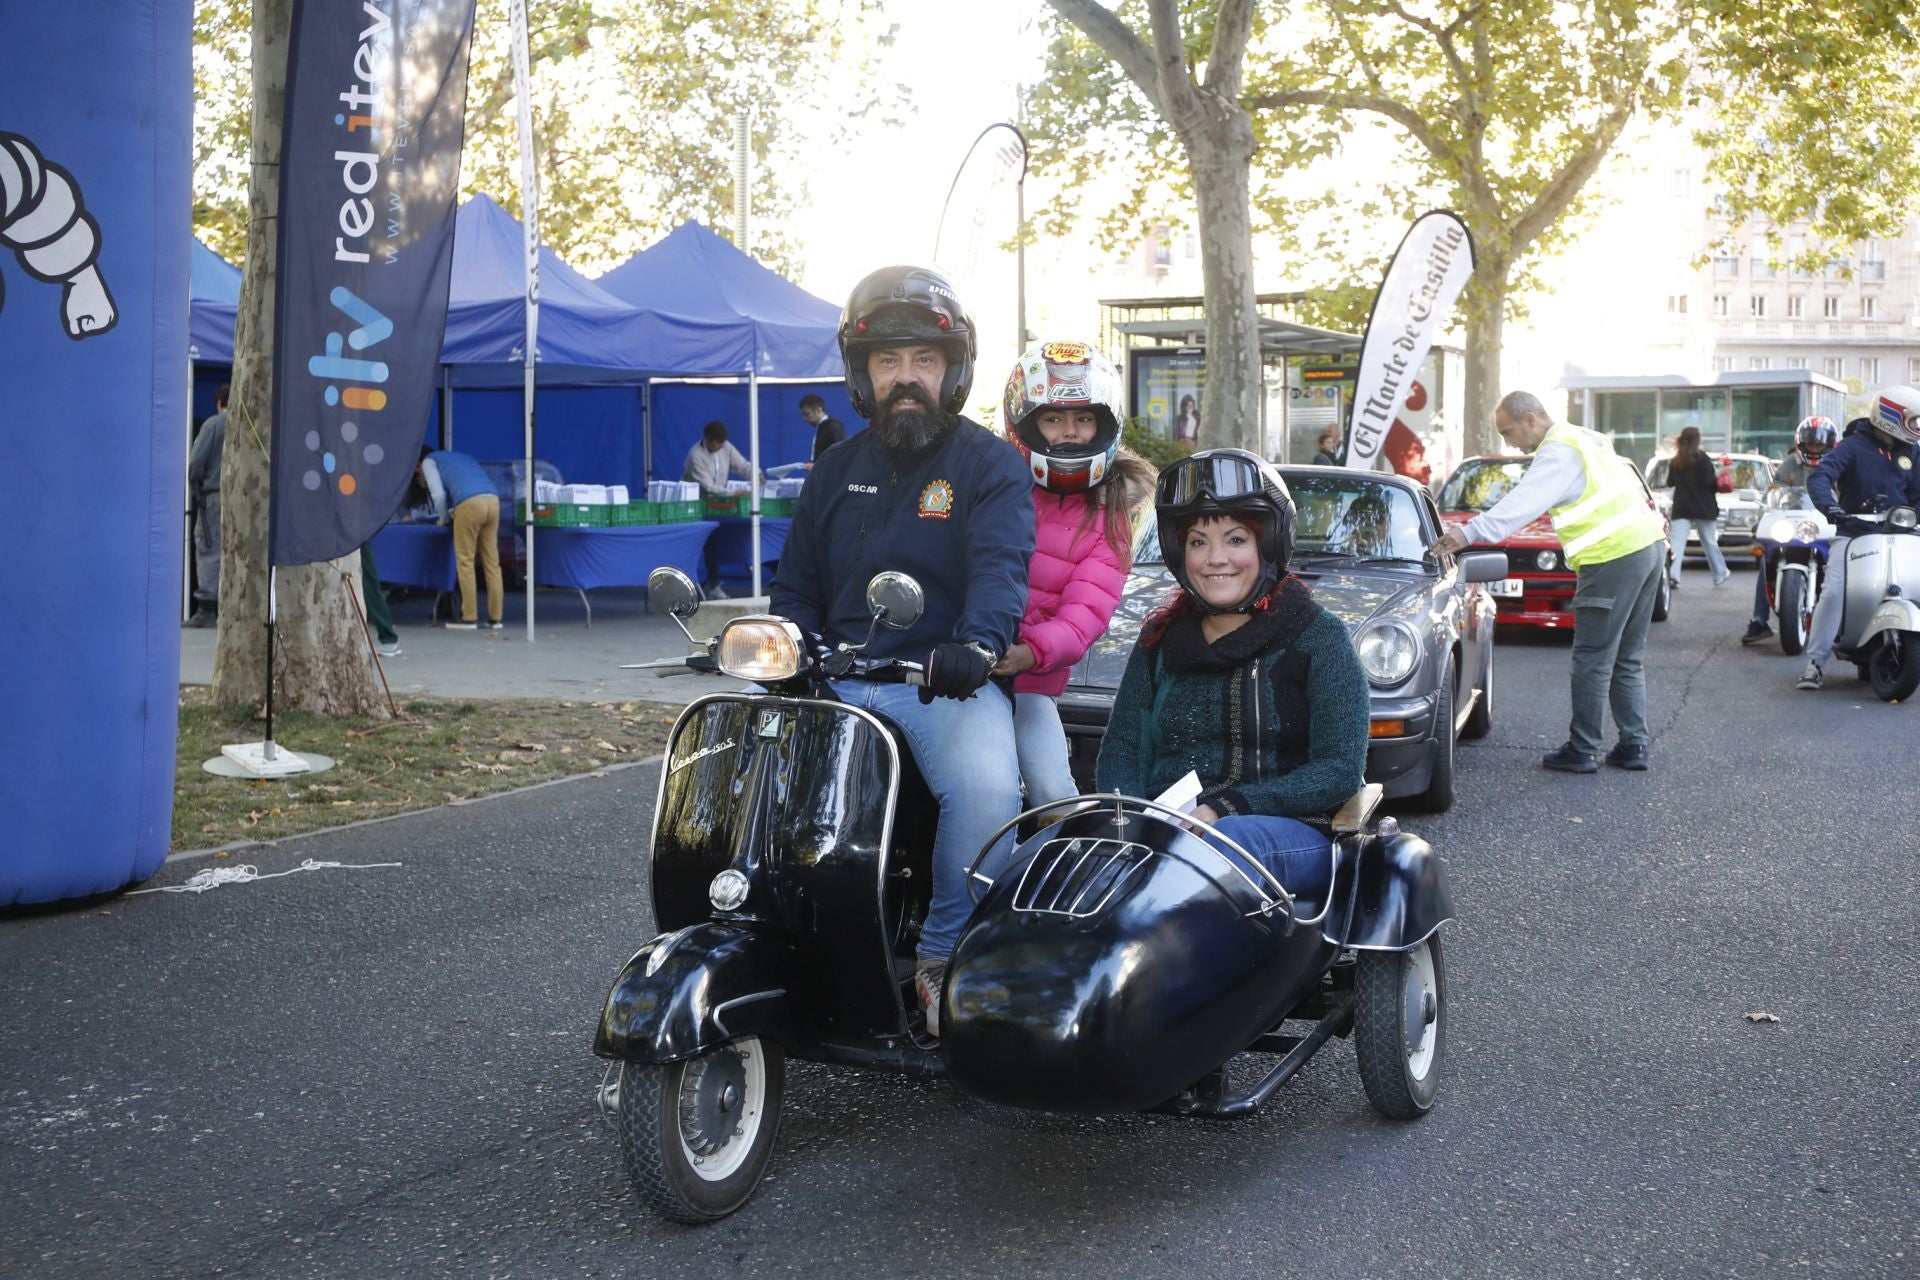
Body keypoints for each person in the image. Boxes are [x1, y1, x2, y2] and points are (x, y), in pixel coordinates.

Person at [768, 265, 1034, 1037]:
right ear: (862, 374)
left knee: (988, 792)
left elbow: (1001, 569)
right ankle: (760, 926)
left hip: (942, 682)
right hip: (840, 678)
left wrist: (979, 645)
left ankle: (943, 955)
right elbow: (796, 588)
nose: (906, 378)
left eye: (923, 359)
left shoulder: (990, 466)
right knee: (750, 776)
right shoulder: (835, 469)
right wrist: (788, 643)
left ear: (953, 370)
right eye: (889, 362)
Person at [1096, 448, 1369, 893]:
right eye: (1198, 541)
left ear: (1269, 544)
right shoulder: (1159, 639)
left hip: (1284, 831)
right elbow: (1123, 751)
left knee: (1217, 847)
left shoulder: (1320, 637)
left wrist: (1226, 808)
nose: (1214, 558)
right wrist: (1131, 822)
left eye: (1236, 539)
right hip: (1166, 834)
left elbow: (1339, 768)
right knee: (1058, 851)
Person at [1430, 391, 1667, 772]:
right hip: (1647, 546)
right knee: (1628, 656)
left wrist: (1468, 533)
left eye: (1508, 432)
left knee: (1592, 657)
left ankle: (1584, 748)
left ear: (1530, 418)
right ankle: (1633, 744)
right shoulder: (1589, 438)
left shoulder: (1557, 452)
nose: (1509, 442)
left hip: (1612, 557)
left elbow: (1524, 501)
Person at [995, 340, 1156, 810]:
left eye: (1084, 419)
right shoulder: (992, 484)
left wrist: (1029, 653)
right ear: (1026, 421)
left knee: (1052, 796)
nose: (1070, 431)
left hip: (1027, 683)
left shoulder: (1110, 517)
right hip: (953, 672)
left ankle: (1053, 871)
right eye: (1054, 418)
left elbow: (1085, 616)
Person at [1795, 389, 1920, 689]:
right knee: (1834, 591)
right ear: (1892, 418)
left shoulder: (1913, 453)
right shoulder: (1852, 446)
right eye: (1914, 421)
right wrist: (1833, 509)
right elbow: (1821, 477)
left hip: (1902, 533)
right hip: (1854, 530)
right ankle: (1815, 662)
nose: (1917, 428)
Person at [1742, 416, 1838, 645]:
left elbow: (1846, 492)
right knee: (1767, 564)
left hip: (1824, 525)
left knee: (1843, 567)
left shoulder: (1838, 464)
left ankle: (1843, 621)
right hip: (1792, 525)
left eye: (1819, 444)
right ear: (1801, 443)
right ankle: (1759, 619)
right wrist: (1768, 506)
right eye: (1811, 444)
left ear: (1830, 445)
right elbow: (1776, 492)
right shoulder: (1790, 463)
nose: (1815, 448)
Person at [417, 447, 503, 631]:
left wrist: (444, 518)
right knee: (492, 563)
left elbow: (438, 495)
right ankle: (496, 618)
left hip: (469, 504)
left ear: (418, 465)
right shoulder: (463, 456)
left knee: (465, 561)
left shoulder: (428, 462)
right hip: (493, 501)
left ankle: (469, 617)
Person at [1665, 425, 1733, 589]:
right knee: (1709, 542)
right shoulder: (1702, 458)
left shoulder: (1676, 460)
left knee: (1677, 543)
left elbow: (1670, 482)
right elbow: (1709, 483)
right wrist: (1721, 472)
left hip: (1682, 507)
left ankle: (1673, 575)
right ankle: (1719, 573)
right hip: (1704, 507)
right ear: (1698, 440)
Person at [185, 383, 229, 627]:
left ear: (219, 403)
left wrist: (195, 490)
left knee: (208, 547)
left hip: (213, 494)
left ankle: (206, 609)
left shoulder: (213, 424)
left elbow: (196, 462)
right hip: (242, 498)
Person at [682, 419, 759, 496]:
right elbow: (709, 487)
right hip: (696, 500)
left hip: (717, 499)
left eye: (723, 441)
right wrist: (735, 493)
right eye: (719, 442)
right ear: (707, 439)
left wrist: (756, 474)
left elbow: (742, 466)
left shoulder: (726, 446)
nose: (722, 445)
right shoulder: (695, 455)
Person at [800, 393, 846, 466]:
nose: (804, 418)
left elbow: (842, 455)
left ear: (819, 410)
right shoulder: (822, 428)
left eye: (807, 414)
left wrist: (816, 466)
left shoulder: (832, 427)